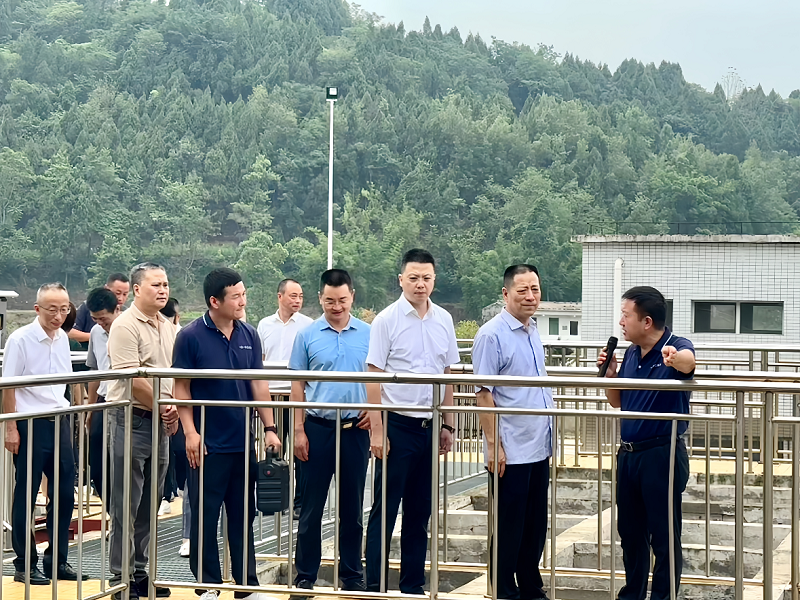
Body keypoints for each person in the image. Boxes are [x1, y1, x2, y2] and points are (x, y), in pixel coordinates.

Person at [173, 268, 281, 600]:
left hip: (242, 441)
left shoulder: (249, 334)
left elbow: (257, 383)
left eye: (243, 294)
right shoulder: (190, 336)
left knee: (242, 514)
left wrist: (270, 428)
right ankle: (208, 585)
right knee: (205, 516)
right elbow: (181, 387)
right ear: (215, 301)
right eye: (236, 297)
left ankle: (246, 586)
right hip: (207, 444)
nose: (242, 302)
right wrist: (190, 432)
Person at [364, 249, 459, 594]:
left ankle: (412, 586)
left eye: (426, 278)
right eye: (414, 278)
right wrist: (377, 430)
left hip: (429, 425)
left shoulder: (443, 319)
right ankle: (374, 585)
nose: (421, 284)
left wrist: (448, 424)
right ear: (401, 279)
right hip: (397, 426)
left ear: (434, 280)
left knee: (420, 512)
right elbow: (373, 375)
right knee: (385, 510)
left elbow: (447, 375)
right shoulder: (386, 320)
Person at [598, 286, 694, 600]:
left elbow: (689, 363)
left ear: (647, 321)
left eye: (626, 316)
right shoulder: (630, 353)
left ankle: (663, 596)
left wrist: (675, 360)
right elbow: (617, 402)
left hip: (661, 453)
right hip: (629, 454)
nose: (621, 322)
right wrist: (611, 376)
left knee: (663, 536)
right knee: (630, 533)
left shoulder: (675, 345)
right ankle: (633, 594)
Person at [472, 265, 553, 600]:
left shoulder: (532, 330)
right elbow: (484, 393)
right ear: (506, 294)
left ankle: (531, 588)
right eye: (523, 290)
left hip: (539, 444)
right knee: (509, 525)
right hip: (512, 448)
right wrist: (495, 445)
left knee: (534, 524)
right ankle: (503, 591)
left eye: (535, 289)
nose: (530, 296)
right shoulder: (491, 335)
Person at [289, 269, 371, 595]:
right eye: (329, 301)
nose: (336, 307)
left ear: (352, 297)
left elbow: (381, 378)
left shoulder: (369, 334)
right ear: (320, 298)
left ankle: (351, 574)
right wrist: (298, 430)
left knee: (352, 508)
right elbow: (297, 386)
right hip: (317, 429)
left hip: (355, 430)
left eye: (342, 300)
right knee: (311, 508)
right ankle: (305, 575)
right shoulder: (307, 335)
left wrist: (375, 412)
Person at [2, 283, 87, 584]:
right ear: (37, 309)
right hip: (30, 422)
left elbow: (65, 382)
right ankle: (24, 563)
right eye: (52, 309)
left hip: (58, 420)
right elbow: (8, 385)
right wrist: (11, 426)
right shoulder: (20, 339)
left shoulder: (62, 337)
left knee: (64, 494)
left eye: (64, 309)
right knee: (26, 494)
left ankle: (57, 560)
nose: (58, 316)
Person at [107, 263, 180, 600]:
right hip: (132, 419)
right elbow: (132, 379)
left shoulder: (168, 326)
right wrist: (165, 407)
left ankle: (140, 572)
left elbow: (174, 375)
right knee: (127, 502)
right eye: (155, 285)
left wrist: (173, 407)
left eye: (165, 284)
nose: (163, 290)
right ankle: (121, 578)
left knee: (150, 502)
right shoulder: (124, 326)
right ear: (137, 289)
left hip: (160, 421)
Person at [257, 279, 313, 519]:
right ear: (279, 296)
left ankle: (300, 502)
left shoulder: (308, 325)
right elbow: (260, 361)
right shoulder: (264, 324)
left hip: (297, 396)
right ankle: (274, 500)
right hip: (271, 397)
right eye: (293, 296)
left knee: (300, 450)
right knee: (273, 450)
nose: (297, 300)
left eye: (300, 296)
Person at [85, 287, 122, 498]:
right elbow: (95, 372)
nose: (100, 323)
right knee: (97, 458)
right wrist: (91, 409)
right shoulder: (96, 333)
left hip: (125, 401)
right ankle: (109, 506)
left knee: (121, 458)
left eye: (103, 319)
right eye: (95, 318)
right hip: (103, 399)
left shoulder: (129, 329)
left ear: (117, 309)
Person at [70, 273, 130, 348]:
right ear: (106, 289)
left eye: (125, 294)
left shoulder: (128, 315)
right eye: (117, 293)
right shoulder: (89, 306)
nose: (120, 298)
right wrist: (96, 336)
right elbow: (70, 332)